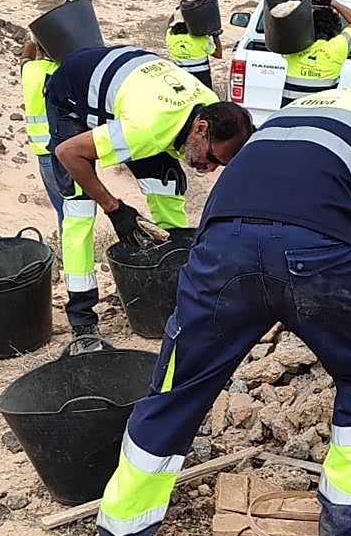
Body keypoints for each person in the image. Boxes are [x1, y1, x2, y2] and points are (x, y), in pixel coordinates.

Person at [95, 52, 351, 536]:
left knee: (177, 386)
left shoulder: (296, 108)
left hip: (221, 249)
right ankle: (347, 520)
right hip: (317, 254)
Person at [45, 45, 255, 350]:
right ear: (201, 127)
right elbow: (68, 153)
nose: (209, 169)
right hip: (72, 95)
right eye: (211, 157)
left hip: (135, 85)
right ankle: (82, 321)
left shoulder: (211, 107)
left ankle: (178, 284)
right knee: (79, 206)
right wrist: (113, 207)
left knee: (167, 188)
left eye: (218, 165)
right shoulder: (147, 129)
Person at [277, 0, 351, 106]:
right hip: (321, 118)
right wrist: (332, 2)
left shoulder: (294, 45)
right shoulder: (338, 47)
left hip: (288, 115)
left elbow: (281, 21)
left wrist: (295, 1)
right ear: (335, 30)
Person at [19, 39, 64, 228]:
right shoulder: (61, 70)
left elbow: (25, 57)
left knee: (63, 210)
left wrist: (34, 39)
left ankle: (66, 251)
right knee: (78, 211)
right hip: (64, 150)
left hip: (42, 152)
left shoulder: (29, 71)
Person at [165, 8, 222, 90]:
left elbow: (169, 25)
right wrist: (215, 36)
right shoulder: (200, 38)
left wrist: (178, 10)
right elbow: (218, 54)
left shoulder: (169, 36)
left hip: (182, 76)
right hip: (202, 77)